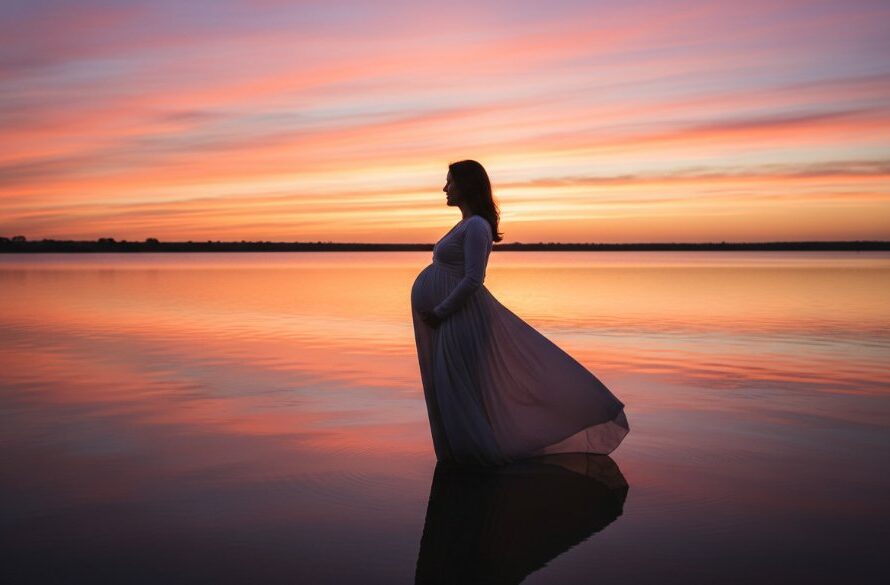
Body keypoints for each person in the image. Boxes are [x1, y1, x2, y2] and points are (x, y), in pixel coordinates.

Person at [410, 160, 629, 466]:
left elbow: (474, 278)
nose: (445, 188)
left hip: (461, 320)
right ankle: (465, 460)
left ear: (467, 185)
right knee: (453, 392)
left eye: (450, 182)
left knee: (461, 392)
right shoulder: (465, 224)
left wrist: (441, 312)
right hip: (451, 319)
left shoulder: (476, 226)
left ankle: (478, 463)